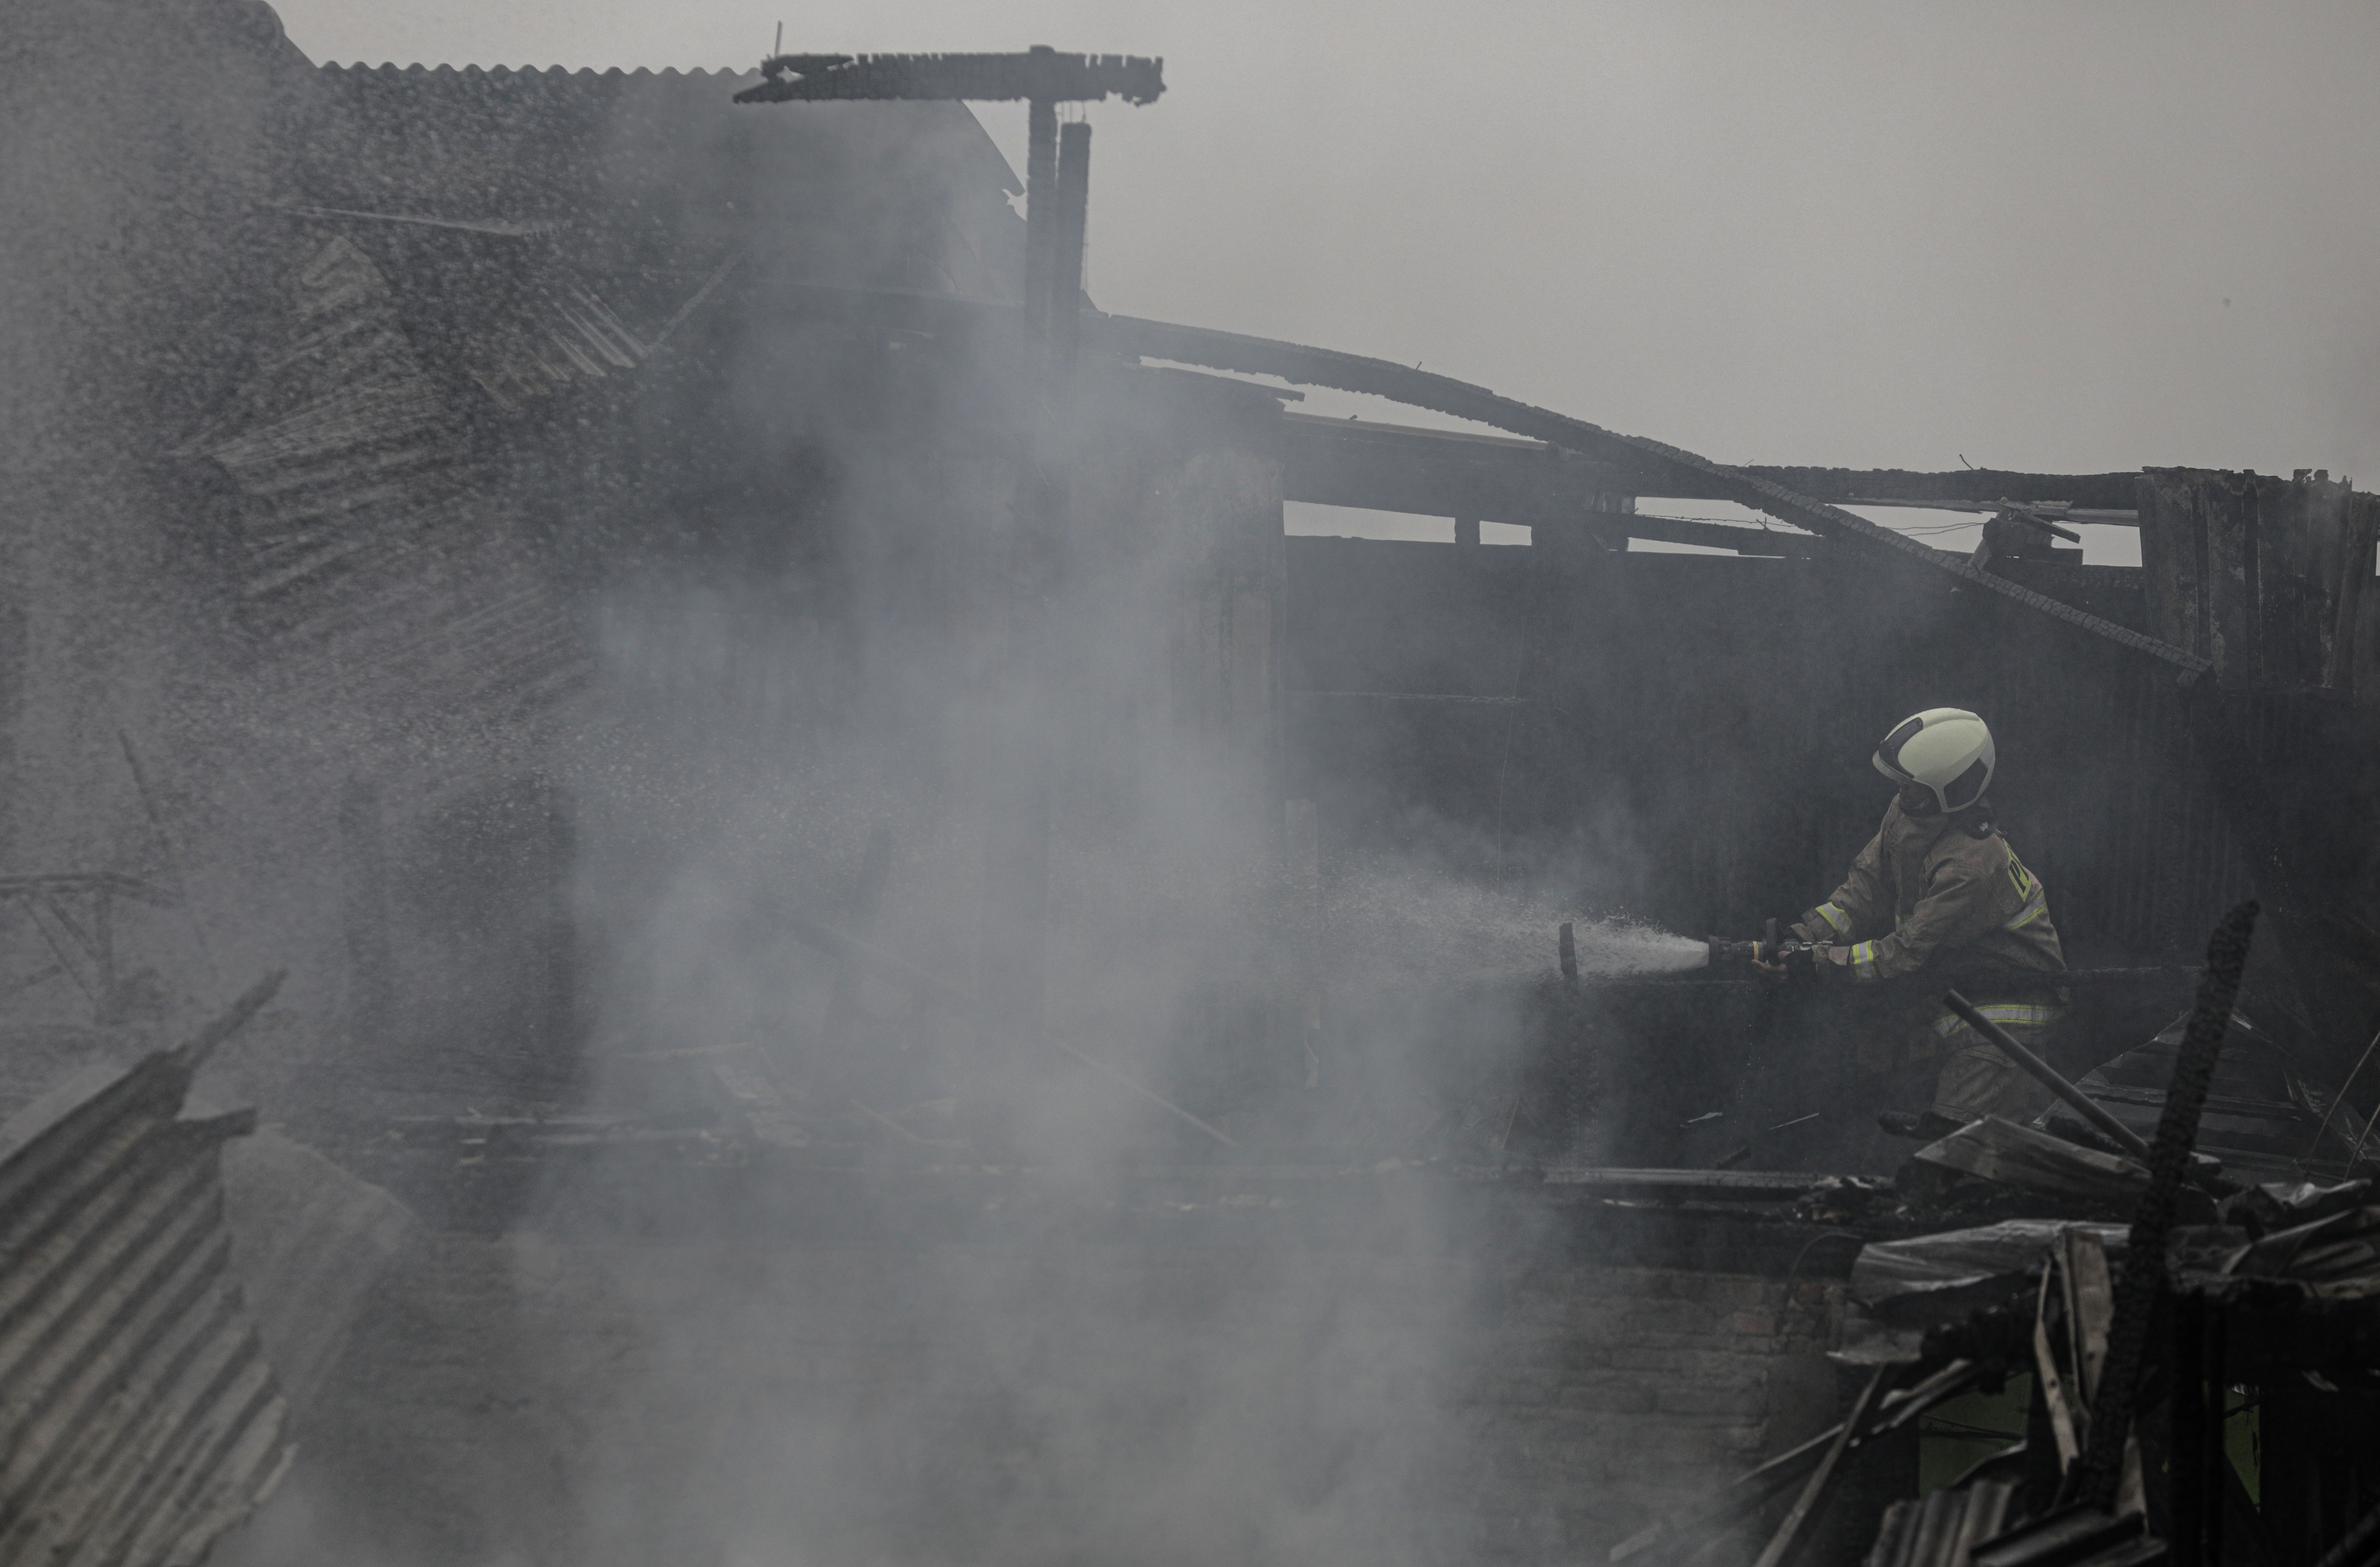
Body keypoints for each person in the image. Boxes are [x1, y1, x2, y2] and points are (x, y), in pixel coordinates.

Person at [1759, 708, 2068, 1139]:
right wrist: (1800, 938)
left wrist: (1816, 962)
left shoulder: (1972, 862)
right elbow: (1867, 887)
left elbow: (1906, 951)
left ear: (1954, 791)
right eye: (1900, 784)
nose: (1901, 795)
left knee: (1961, 1141)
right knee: (2024, 1129)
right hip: (1957, 989)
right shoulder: (1909, 813)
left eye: (1914, 789)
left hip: (2004, 1010)